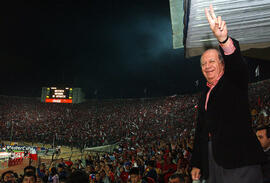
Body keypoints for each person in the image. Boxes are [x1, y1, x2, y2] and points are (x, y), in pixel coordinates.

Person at [190, 5, 265, 183]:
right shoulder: (205, 93)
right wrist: (197, 163)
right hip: (212, 163)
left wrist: (224, 40)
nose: (207, 66)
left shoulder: (233, 82)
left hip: (239, 162)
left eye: (211, 61)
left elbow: (238, 68)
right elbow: (201, 130)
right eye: (203, 64)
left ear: (223, 64)